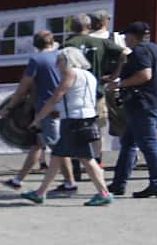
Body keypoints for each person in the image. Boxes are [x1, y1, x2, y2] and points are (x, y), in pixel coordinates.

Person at [22, 46, 113, 206]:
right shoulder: (89, 75)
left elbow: (57, 96)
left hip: (73, 120)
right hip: (85, 117)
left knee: (85, 158)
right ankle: (41, 192)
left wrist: (39, 117)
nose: (56, 64)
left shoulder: (70, 74)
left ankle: (104, 193)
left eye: (59, 60)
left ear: (68, 60)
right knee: (58, 155)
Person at [7, 32, 72, 193]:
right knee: (38, 143)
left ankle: (70, 183)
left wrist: (10, 106)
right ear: (52, 41)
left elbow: (24, 86)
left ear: (35, 44)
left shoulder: (36, 60)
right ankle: (18, 180)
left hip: (48, 108)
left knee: (57, 146)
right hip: (61, 105)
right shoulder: (63, 56)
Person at [109, 21, 157, 198]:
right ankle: (118, 183)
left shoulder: (140, 51)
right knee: (128, 143)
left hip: (143, 104)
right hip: (152, 102)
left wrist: (120, 84)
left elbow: (145, 75)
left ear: (132, 36)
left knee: (148, 144)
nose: (125, 39)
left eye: (126, 36)